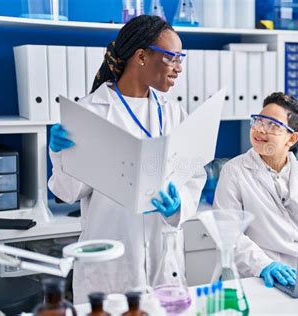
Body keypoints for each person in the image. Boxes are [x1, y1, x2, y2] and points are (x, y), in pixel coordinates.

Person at [48, 15, 206, 303]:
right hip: (110, 265)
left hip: (163, 264)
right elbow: (68, 192)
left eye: (182, 58)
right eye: (172, 58)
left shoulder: (173, 113)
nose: (179, 68)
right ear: (142, 56)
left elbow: (193, 175)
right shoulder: (91, 113)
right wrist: (62, 153)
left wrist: (178, 203)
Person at [213, 92, 298, 288]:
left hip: (296, 275)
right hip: (254, 275)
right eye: (258, 121)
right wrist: (265, 265)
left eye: (273, 125)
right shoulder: (234, 171)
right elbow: (228, 233)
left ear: (291, 139)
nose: (260, 130)